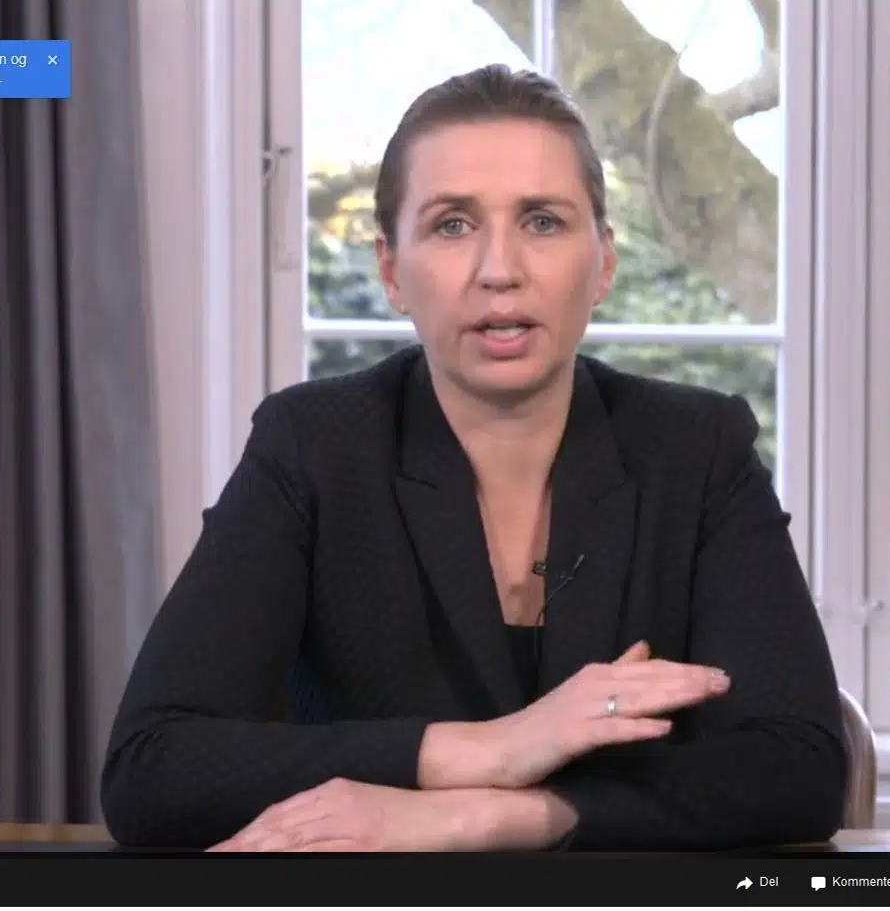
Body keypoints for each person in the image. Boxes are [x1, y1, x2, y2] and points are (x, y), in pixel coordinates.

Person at [101, 64, 848, 851]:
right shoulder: (312, 446)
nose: (499, 270)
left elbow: (800, 770)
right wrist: (492, 749)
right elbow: (152, 768)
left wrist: (494, 814)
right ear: (391, 271)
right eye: (453, 225)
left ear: (604, 264)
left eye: (543, 222)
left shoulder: (698, 449)